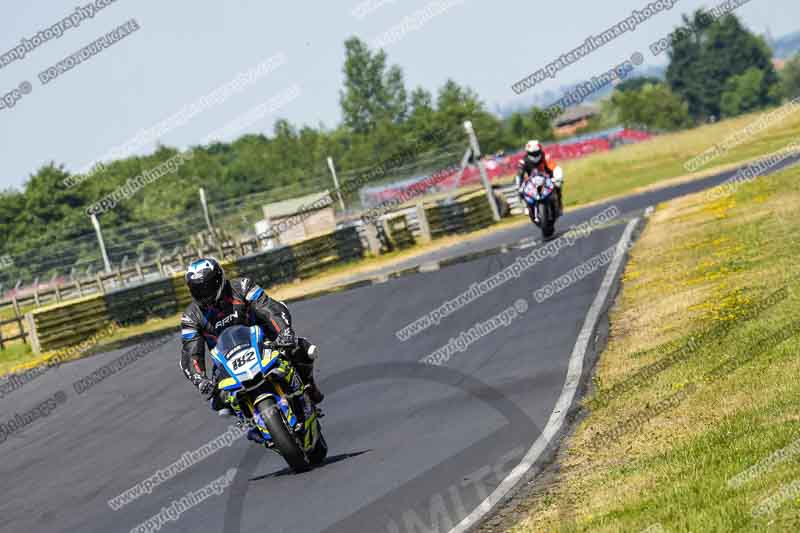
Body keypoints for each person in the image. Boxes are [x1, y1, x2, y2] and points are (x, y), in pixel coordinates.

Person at [179, 257, 323, 442]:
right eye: (198, 289)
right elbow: (191, 352)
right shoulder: (191, 317)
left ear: (219, 279)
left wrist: (284, 332)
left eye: (207, 286)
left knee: (301, 348)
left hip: (264, 341)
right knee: (218, 400)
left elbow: (269, 308)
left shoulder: (243, 286)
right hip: (226, 359)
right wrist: (200, 379)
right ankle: (250, 422)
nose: (204, 293)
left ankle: (309, 387)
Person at [515, 140, 564, 222]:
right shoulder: (523, 161)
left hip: (546, 179)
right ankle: (526, 207)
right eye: (532, 154)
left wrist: (557, 178)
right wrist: (518, 185)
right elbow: (519, 174)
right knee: (520, 191)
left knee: (558, 186)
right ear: (527, 152)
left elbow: (555, 168)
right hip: (532, 182)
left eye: (536, 153)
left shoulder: (545, 157)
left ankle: (559, 204)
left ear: (540, 150)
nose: (535, 156)